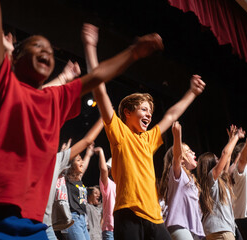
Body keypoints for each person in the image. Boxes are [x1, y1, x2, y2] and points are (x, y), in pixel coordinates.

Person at [0, 0, 164, 238]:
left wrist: (134, 52)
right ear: (15, 57)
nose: (46, 51)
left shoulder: (55, 99)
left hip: (29, 225)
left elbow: (97, 76)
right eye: (37, 45)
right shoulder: (2, 83)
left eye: (49, 50)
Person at [82, 22, 205, 240]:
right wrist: (90, 47)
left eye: (150, 111)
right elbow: (99, 88)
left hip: (155, 219)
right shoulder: (119, 132)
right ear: (127, 113)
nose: (149, 115)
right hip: (127, 214)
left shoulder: (149, 139)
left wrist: (191, 93)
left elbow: (171, 116)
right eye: (143, 110)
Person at [45, 119, 104, 240]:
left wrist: (88, 153)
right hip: (73, 218)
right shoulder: (67, 179)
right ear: (71, 166)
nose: (81, 162)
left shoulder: (79, 179)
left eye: (81, 160)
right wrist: (64, 152)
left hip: (82, 218)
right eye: (78, 161)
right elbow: (61, 164)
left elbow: (85, 163)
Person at [158, 121, 204, 240]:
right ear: (182, 160)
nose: (193, 153)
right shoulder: (178, 174)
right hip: (179, 227)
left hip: (190, 229)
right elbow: (177, 156)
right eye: (189, 151)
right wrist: (177, 136)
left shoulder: (190, 179)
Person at [197, 125, 244, 240]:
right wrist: (237, 137)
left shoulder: (216, 181)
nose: (220, 162)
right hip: (221, 232)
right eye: (217, 160)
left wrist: (231, 139)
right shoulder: (211, 178)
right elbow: (225, 154)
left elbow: (227, 159)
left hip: (219, 230)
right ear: (211, 165)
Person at [95, 146, 116, 240]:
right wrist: (101, 152)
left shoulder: (123, 185)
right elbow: (103, 170)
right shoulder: (108, 184)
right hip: (110, 230)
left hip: (122, 228)